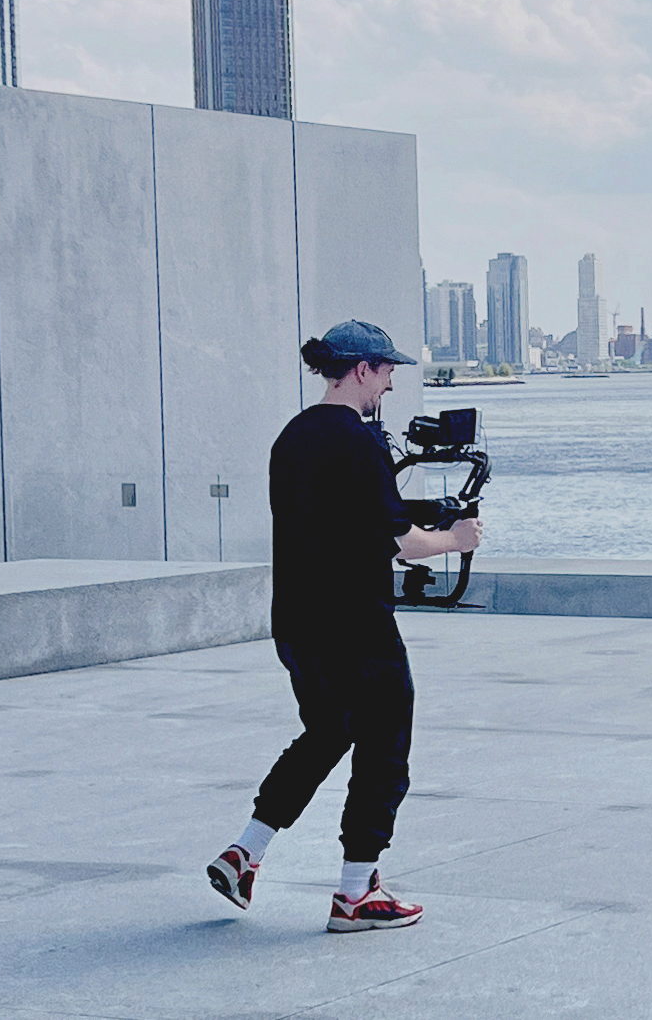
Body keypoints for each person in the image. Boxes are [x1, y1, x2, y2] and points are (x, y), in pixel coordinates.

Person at [206, 320, 485, 931]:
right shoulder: (361, 444)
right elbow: (399, 543)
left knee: (328, 732)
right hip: (357, 624)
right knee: (386, 746)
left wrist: (416, 515)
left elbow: (337, 523)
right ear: (361, 369)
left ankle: (245, 852)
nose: (388, 385)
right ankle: (357, 893)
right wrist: (453, 537)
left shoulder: (293, 437)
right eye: (386, 372)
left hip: (298, 623)